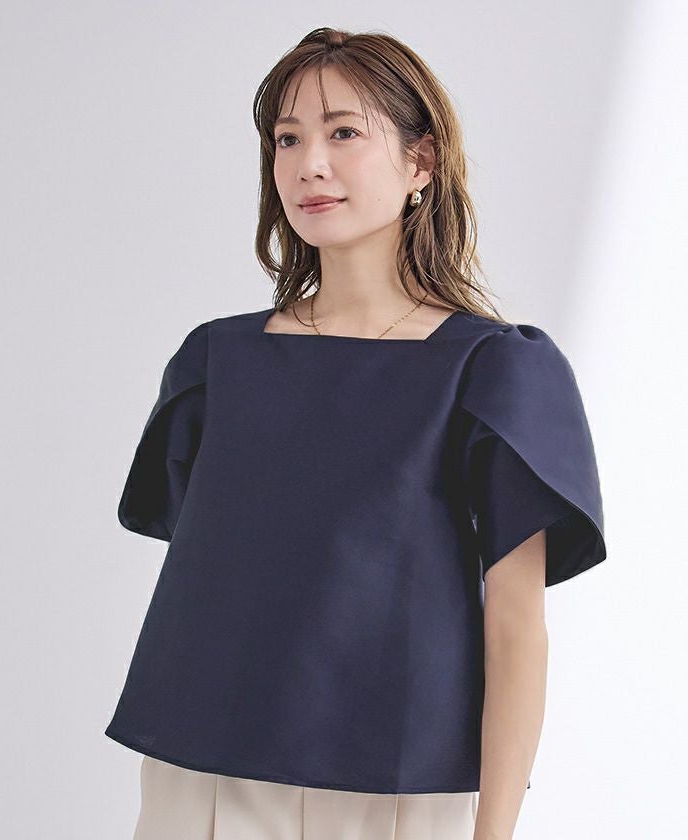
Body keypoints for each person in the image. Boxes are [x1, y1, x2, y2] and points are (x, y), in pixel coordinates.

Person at [105, 27, 607, 840]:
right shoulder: (216, 363)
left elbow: (516, 630)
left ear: (421, 161)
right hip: (199, 779)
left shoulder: (493, 371)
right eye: (288, 139)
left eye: (344, 132)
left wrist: (495, 832)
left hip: (392, 791)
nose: (310, 164)